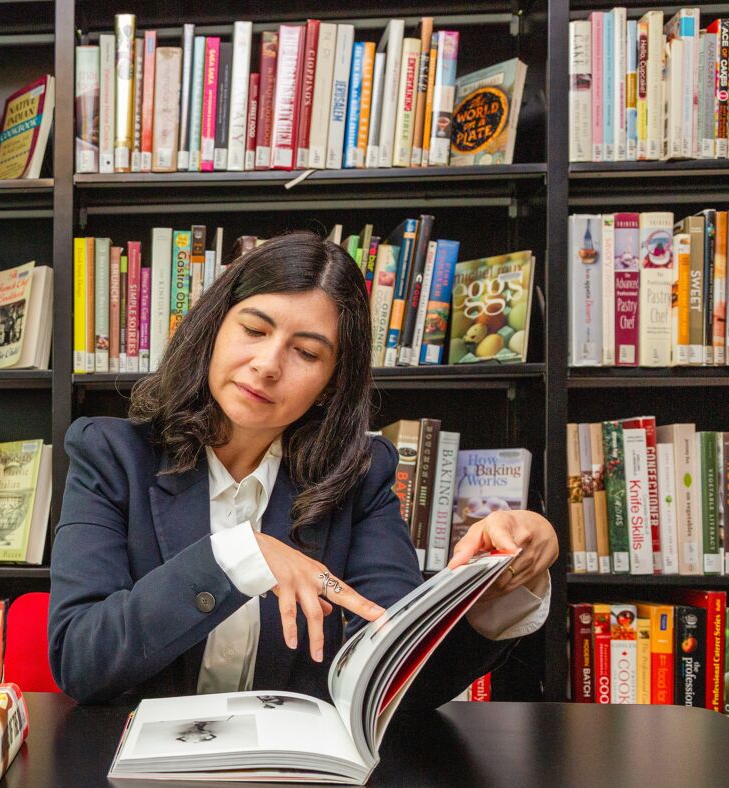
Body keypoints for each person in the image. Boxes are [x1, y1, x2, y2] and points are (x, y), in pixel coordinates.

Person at [49, 232, 557, 706]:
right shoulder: (112, 454)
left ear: (332, 382)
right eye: (253, 329)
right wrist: (238, 555)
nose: (268, 364)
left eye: (307, 353)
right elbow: (81, 658)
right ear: (212, 330)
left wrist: (500, 582)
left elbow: (399, 678)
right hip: (136, 781)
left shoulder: (359, 476)